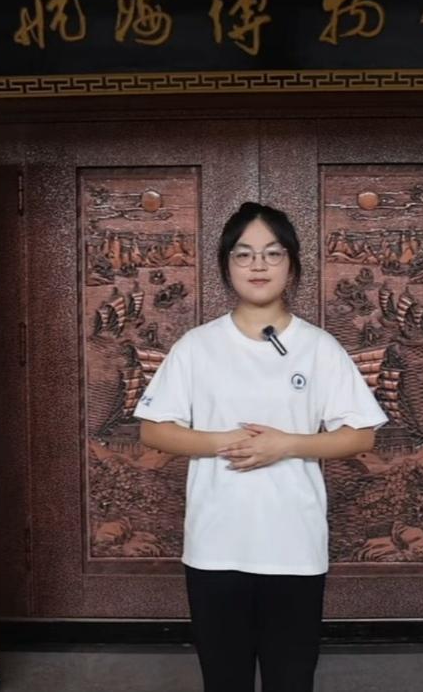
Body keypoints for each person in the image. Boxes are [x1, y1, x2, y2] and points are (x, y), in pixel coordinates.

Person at [134, 202, 387, 692]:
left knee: (290, 679)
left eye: (272, 253)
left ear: (291, 264)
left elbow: (362, 434)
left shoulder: (319, 347)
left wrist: (286, 445)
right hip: (215, 545)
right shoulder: (197, 346)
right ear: (226, 264)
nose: (258, 265)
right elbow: (153, 430)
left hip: (294, 545)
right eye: (244, 254)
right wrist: (223, 440)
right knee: (223, 679)